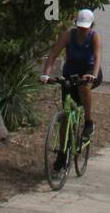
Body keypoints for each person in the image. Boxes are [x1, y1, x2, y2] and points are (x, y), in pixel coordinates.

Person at [41, 8, 102, 141]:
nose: (82, 29)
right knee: (66, 115)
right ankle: (63, 154)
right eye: (80, 26)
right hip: (70, 73)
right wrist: (46, 74)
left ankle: (88, 121)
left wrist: (94, 75)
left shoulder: (94, 36)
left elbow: (97, 57)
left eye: (85, 27)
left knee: (83, 86)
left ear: (91, 25)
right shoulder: (69, 35)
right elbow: (53, 54)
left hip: (89, 72)